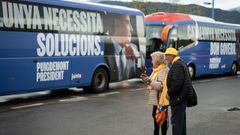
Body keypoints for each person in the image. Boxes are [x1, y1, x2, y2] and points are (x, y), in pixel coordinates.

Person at [104, 14, 144, 81]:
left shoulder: (134, 48)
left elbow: (140, 74)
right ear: (116, 25)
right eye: (128, 22)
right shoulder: (104, 48)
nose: (131, 29)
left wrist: (138, 57)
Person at [164, 48, 192, 135]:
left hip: (178, 99)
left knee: (176, 124)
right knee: (181, 124)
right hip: (181, 98)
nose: (166, 58)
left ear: (172, 56)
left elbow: (177, 83)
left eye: (167, 55)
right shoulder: (180, 63)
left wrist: (169, 93)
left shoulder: (177, 65)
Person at [141, 51, 169, 135]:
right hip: (156, 101)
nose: (152, 62)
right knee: (156, 119)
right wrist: (146, 79)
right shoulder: (156, 70)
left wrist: (149, 81)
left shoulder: (163, 70)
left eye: (153, 60)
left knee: (162, 120)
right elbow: (152, 82)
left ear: (157, 61)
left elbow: (160, 86)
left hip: (161, 101)